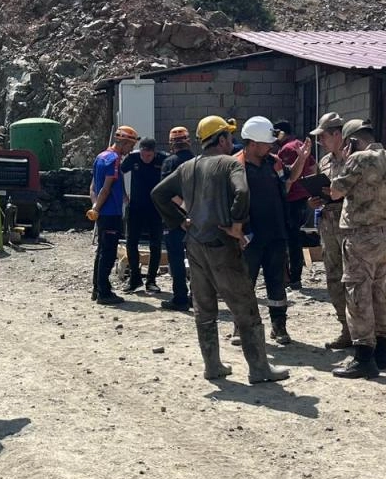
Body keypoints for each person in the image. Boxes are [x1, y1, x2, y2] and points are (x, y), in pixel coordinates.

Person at [151, 115, 289, 384]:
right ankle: (259, 369)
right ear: (222, 139)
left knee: (204, 309)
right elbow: (243, 193)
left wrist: (180, 221)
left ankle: (213, 366)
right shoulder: (230, 164)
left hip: (195, 245)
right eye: (229, 136)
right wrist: (237, 225)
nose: (231, 140)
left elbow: (158, 193)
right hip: (221, 245)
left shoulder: (187, 167)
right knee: (245, 307)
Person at [233, 117, 310, 346]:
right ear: (253, 143)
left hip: (276, 233)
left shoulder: (273, 162)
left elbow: (289, 179)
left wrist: (301, 159)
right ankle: (241, 327)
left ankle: (279, 326)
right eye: (267, 143)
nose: (271, 146)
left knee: (276, 282)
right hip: (249, 237)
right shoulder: (235, 165)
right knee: (244, 284)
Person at [329, 119, 386, 379]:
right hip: (383, 234)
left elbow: (335, 192)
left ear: (352, 141)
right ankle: (382, 352)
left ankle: (363, 357)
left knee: (358, 294)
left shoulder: (357, 159)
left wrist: (344, 159)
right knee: (380, 292)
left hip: (360, 236)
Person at [308, 112, 350, 349]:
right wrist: (313, 201)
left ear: (337, 134)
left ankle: (367, 331)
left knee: (356, 279)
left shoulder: (355, 159)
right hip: (328, 225)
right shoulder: (324, 162)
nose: (320, 141)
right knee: (334, 278)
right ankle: (346, 328)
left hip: (350, 227)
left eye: (323, 136)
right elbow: (320, 189)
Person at [89, 126, 139, 305]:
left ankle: (97, 289)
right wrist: (98, 207)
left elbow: (93, 187)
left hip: (103, 213)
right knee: (109, 253)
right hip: (110, 213)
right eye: (130, 146)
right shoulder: (114, 160)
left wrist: (95, 207)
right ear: (124, 143)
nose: (131, 150)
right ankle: (104, 292)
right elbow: (106, 188)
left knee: (101, 251)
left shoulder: (100, 157)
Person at [274, 120, 317, 289]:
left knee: (290, 239)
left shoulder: (286, 149)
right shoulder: (299, 144)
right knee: (296, 237)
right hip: (303, 198)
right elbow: (313, 167)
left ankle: (292, 277)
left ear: (282, 133)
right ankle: (295, 277)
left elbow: (287, 177)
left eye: (276, 133)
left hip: (291, 199)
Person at [120, 137, 167, 293]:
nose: (145, 158)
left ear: (154, 152)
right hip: (136, 207)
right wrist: (123, 194)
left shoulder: (163, 159)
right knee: (131, 242)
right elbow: (118, 172)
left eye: (149, 155)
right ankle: (135, 278)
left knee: (155, 244)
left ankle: (151, 280)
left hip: (155, 208)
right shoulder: (133, 158)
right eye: (143, 155)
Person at [159, 126, 195, 311]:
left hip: (174, 219)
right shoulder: (197, 161)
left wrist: (183, 211)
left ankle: (180, 298)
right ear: (189, 141)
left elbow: (165, 191)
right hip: (197, 218)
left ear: (171, 143)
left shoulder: (169, 163)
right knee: (196, 260)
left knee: (176, 259)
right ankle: (196, 297)